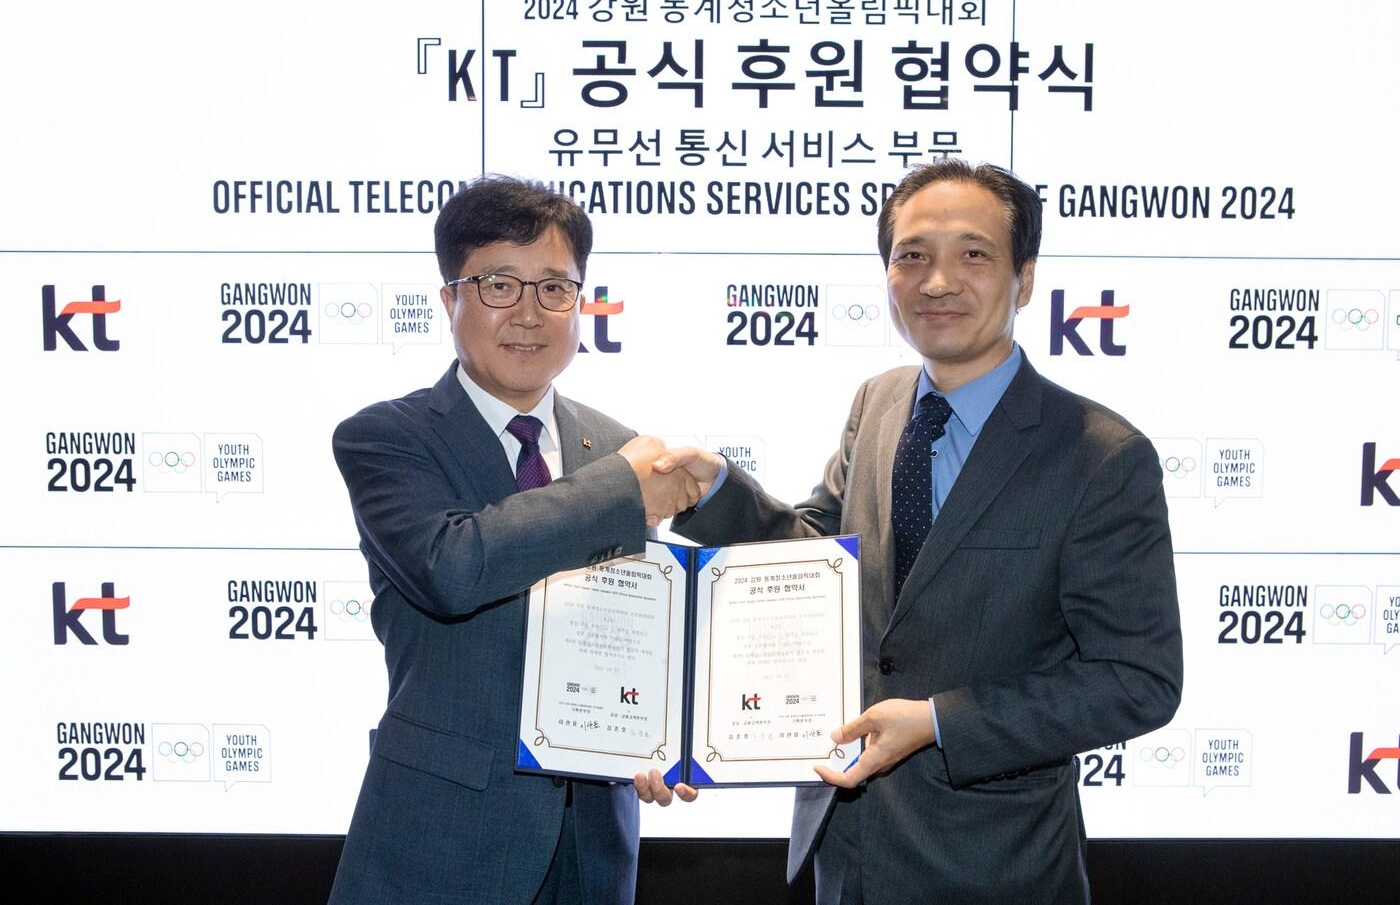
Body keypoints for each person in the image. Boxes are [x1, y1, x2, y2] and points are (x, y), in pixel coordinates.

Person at [643, 160, 1184, 904]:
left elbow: (1137, 679)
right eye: (913, 256)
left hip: (995, 863)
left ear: (1025, 279)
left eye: (973, 254)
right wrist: (715, 491)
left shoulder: (1101, 455)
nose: (938, 281)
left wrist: (939, 722)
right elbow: (822, 562)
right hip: (847, 848)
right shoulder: (879, 401)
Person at [327, 176, 698, 905]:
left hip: (593, 846)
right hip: (440, 842)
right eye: (499, 284)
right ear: (450, 300)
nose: (529, 313)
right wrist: (620, 490)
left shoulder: (616, 447)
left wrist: (666, 735)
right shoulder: (386, 437)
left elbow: (631, 624)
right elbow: (452, 567)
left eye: (555, 288)